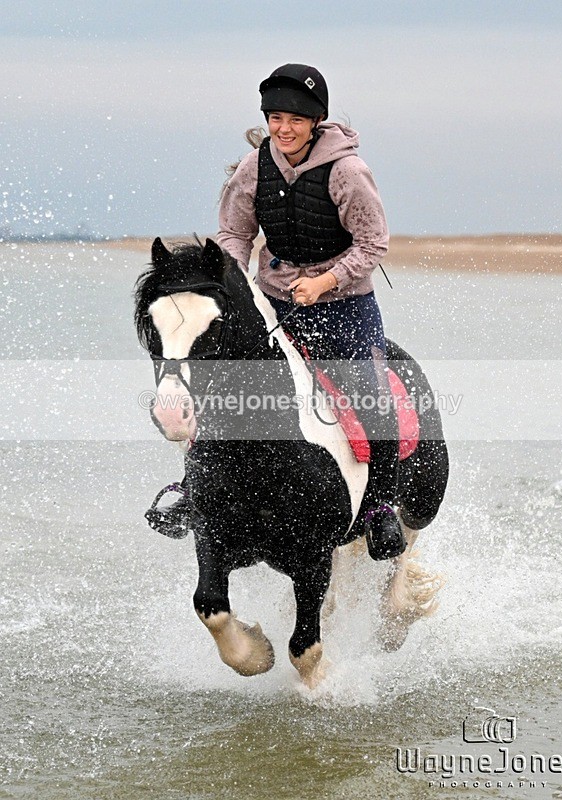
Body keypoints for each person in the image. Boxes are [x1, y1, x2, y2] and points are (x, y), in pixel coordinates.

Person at [147, 63, 405, 561]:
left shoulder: (348, 171)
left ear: (317, 121)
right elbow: (234, 235)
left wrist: (326, 281)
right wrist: (230, 282)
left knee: (370, 392)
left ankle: (378, 509)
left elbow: (374, 242)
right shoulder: (254, 167)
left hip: (344, 306)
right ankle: (192, 488)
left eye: (294, 119)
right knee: (223, 387)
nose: (283, 128)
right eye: (274, 117)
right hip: (275, 302)